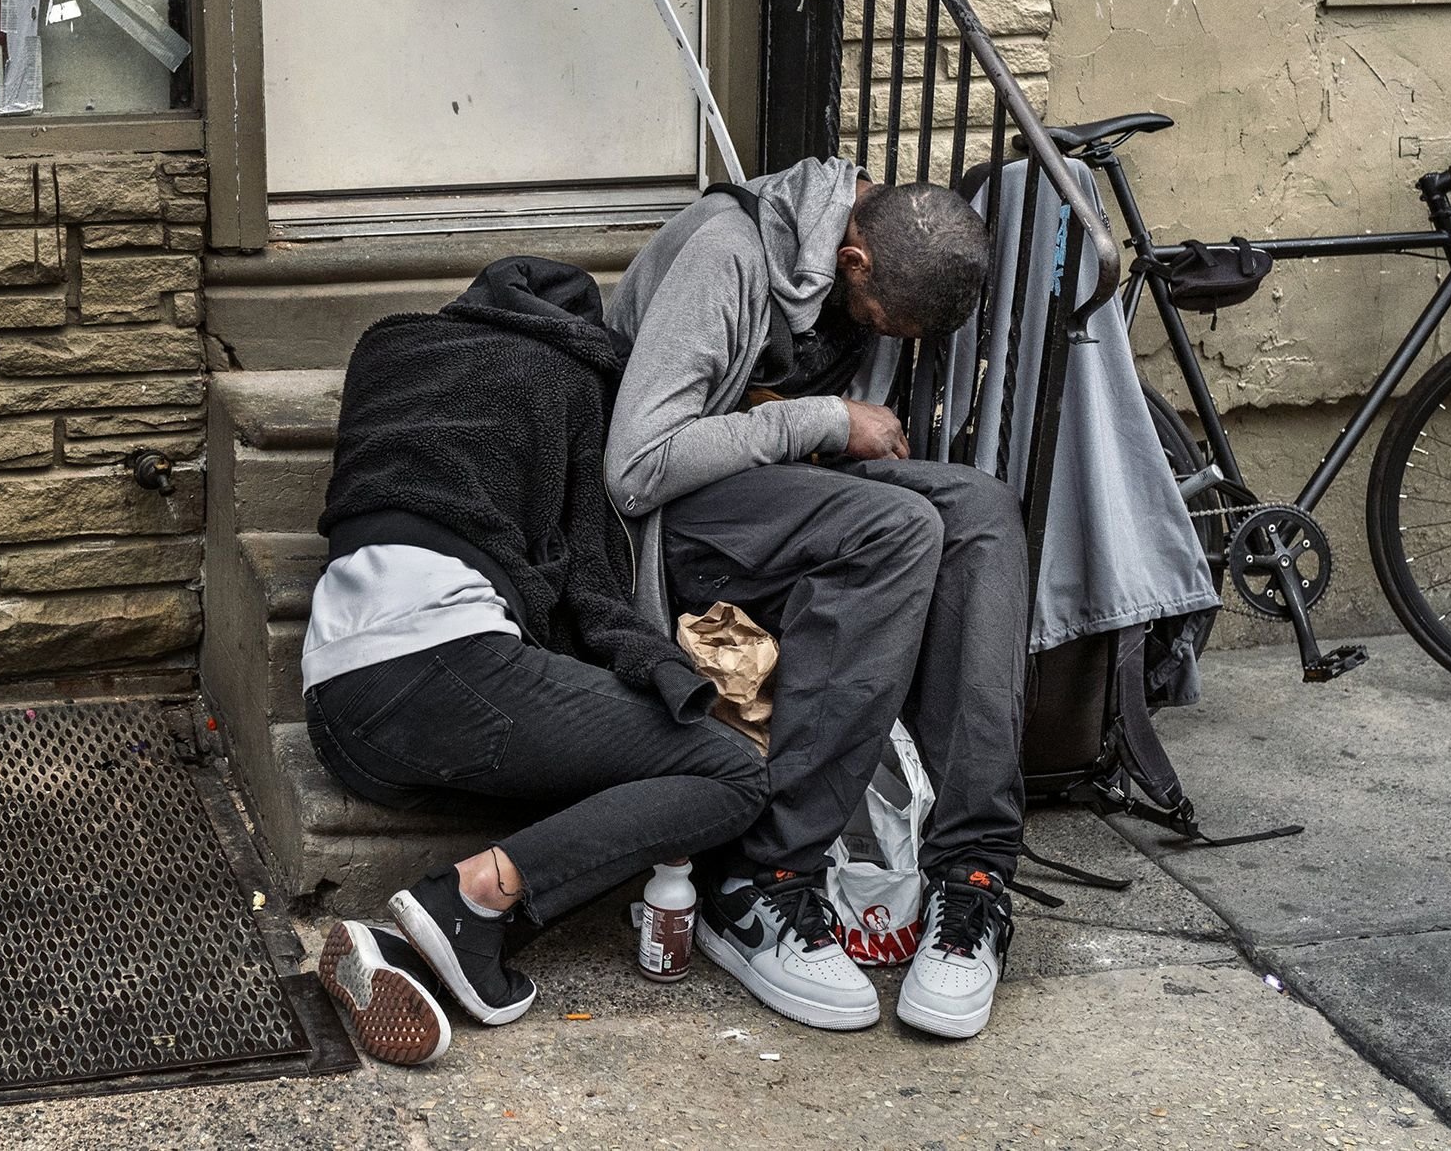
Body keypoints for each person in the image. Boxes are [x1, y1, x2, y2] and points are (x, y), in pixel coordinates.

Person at [304, 257, 768, 1066]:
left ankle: (400, 947)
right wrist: (661, 669)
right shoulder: (566, 379)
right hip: (447, 662)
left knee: (610, 770)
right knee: (731, 772)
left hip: (339, 705)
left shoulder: (388, 349)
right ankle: (468, 900)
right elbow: (587, 577)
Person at [604, 158, 1024, 1040]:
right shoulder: (729, 253)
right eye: (880, 321)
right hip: (667, 525)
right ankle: (763, 879)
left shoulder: (847, 253)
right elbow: (635, 467)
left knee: (983, 511)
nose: (879, 337)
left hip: (774, 495)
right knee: (900, 530)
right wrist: (827, 419)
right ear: (855, 259)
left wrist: (824, 433)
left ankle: (973, 873)